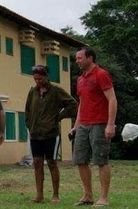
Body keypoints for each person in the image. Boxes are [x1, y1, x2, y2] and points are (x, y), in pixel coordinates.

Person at [71, 47, 118, 207]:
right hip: (83, 124)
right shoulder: (80, 79)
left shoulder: (101, 74)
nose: (77, 61)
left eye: (79, 58)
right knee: (80, 160)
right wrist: (76, 125)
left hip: (99, 124)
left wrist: (110, 124)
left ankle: (103, 198)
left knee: (101, 160)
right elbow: (82, 103)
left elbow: (112, 99)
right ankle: (88, 195)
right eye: (76, 58)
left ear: (90, 58)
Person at [25, 65, 79, 204]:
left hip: (51, 133)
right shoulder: (32, 92)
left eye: (40, 78)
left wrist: (59, 116)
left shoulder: (56, 91)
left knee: (51, 162)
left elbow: (73, 105)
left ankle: (55, 195)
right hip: (35, 133)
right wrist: (29, 124)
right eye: (35, 79)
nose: (38, 81)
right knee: (37, 163)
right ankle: (39, 195)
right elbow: (28, 110)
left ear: (46, 77)